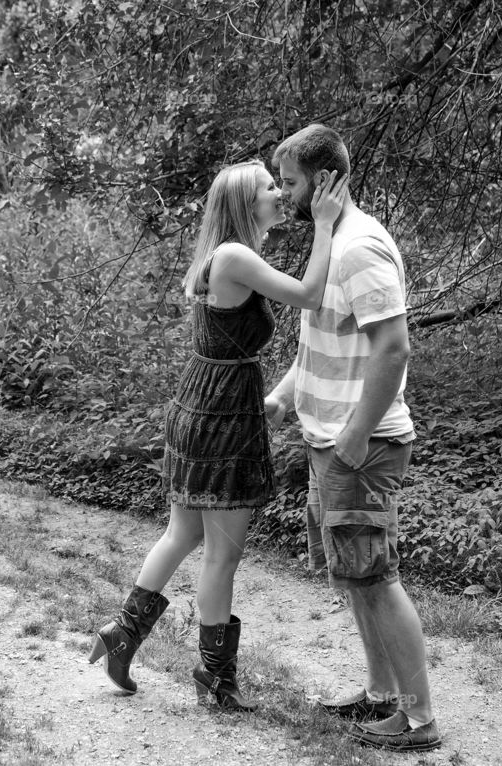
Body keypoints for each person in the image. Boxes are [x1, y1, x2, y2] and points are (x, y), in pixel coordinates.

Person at [89, 159, 348, 711]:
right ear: (242, 204)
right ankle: (216, 679)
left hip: (206, 402)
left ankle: (122, 633)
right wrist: (324, 224)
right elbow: (308, 294)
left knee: (183, 533)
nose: (279, 194)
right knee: (220, 555)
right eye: (268, 188)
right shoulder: (233, 256)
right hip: (221, 411)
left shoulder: (227, 254)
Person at [265, 124, 441, 752]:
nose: (284, 194)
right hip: (331, 440)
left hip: (359, 445)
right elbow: (327, 337)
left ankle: (419, 720)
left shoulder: (359, 246)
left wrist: (355, 438)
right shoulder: (331, 245)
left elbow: (392, 348)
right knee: (354, 576)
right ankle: (380, 697)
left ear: (325, 181)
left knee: (375, 575)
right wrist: (288, 392)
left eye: (290, 183)